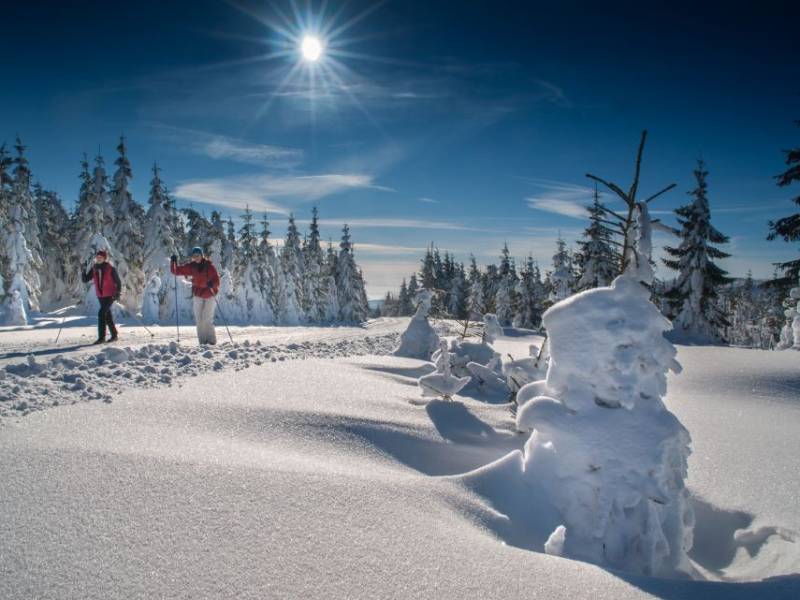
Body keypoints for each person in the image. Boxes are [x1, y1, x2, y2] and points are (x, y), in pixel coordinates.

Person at [170, 247, 220, 345]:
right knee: (199, 320)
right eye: (194, 256)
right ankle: (202, 342)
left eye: (197, 255)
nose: (196, 258)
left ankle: (211, 342)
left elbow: (217, 280)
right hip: (198, 295)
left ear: (202, 255)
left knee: (207, 319)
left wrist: (212, 284)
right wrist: (173, 262)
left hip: (210, 294)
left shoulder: (209, 266)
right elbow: (176, 271)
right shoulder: (192, 266)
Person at [82, 249, 122, 344]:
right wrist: (83, 270)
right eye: (97, 257)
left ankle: (101, 338)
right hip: (101, 296)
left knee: (101, 313)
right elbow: (85, 279)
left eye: (100, 257)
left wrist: (117, 292)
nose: (98, 258)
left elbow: (118, 281)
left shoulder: (110, 268)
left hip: (110, 295)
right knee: (107, 315)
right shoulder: (95, 268)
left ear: (104, 258)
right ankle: (114, 335)